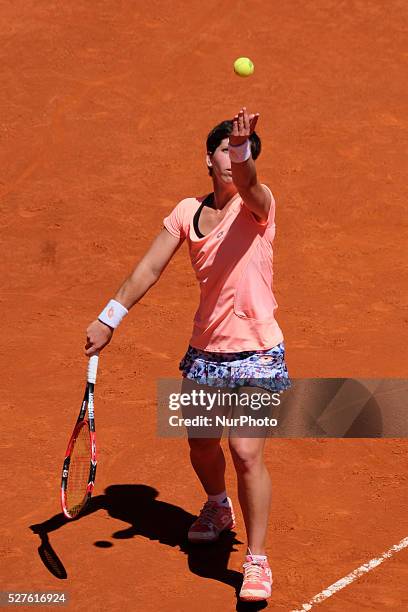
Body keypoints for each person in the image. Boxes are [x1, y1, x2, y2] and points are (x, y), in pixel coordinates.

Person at [85, 107, 291, 602]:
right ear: (206, 158)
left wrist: (244, 151)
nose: (233, 159)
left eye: (240, 152)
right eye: (224, 149)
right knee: (201, 445)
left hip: (256, 353)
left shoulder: (257, 206)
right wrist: (108, 318)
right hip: (205, 353)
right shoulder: (186, 213)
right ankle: (218, 506)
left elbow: (250, 180)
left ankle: (256, 560)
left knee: (244, 451)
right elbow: (147, 269)